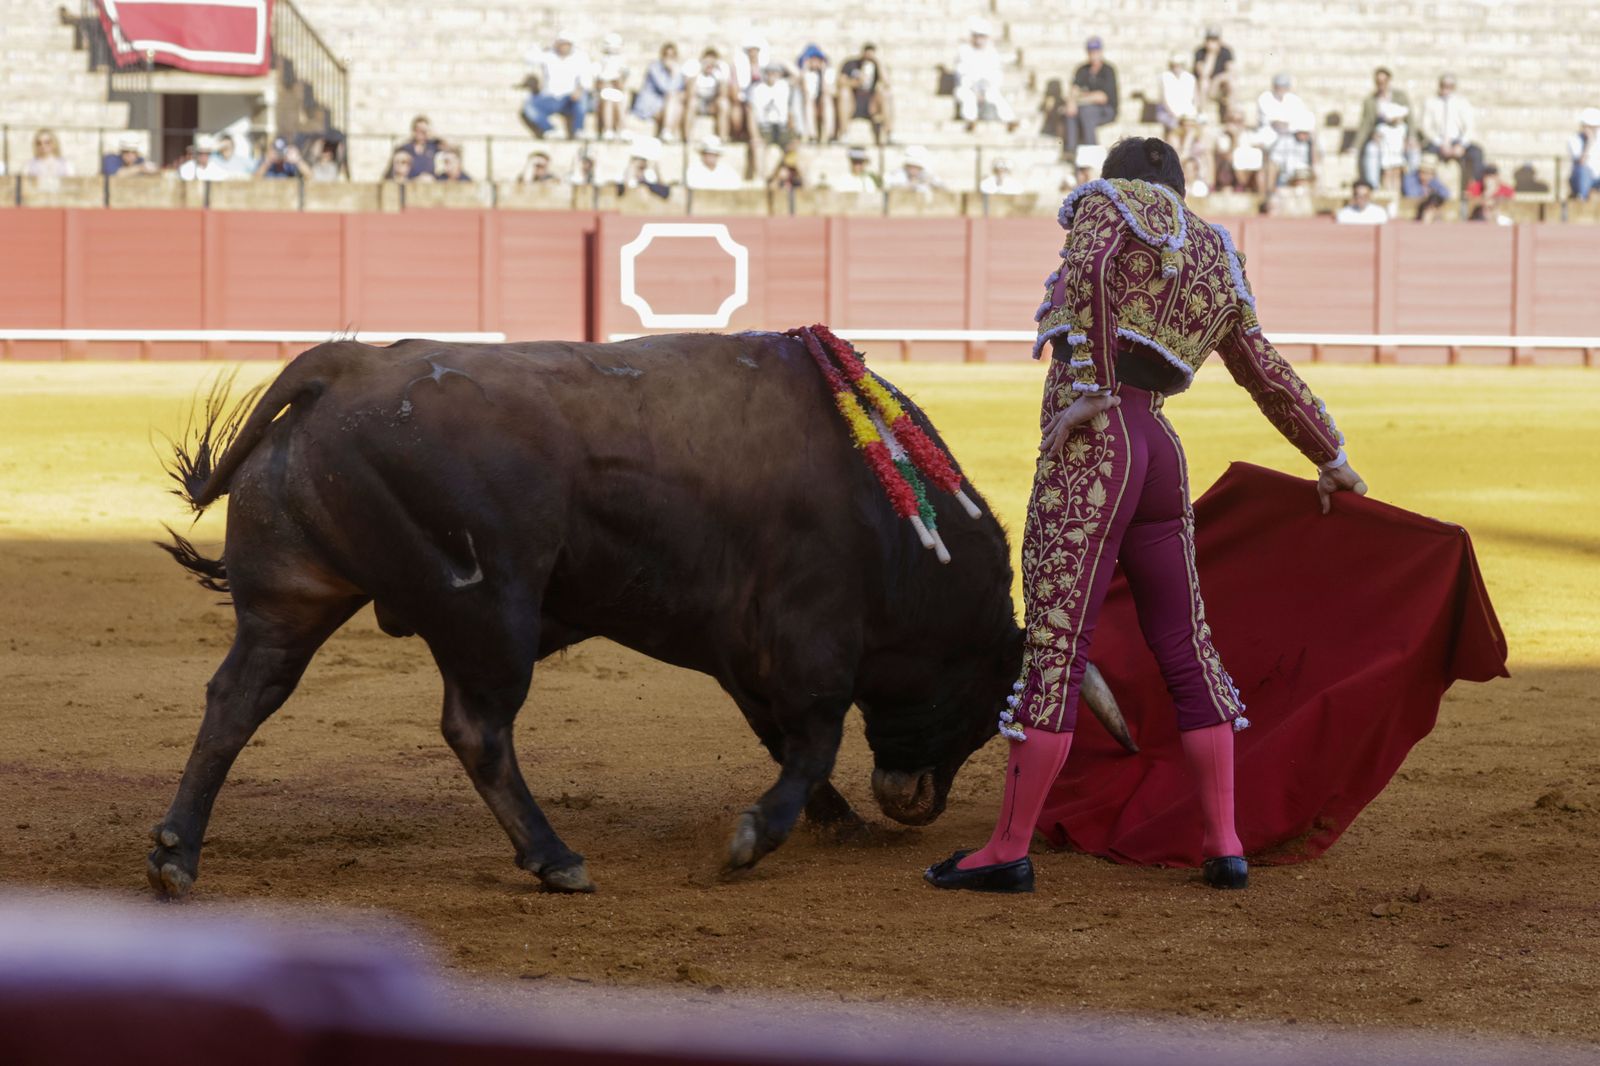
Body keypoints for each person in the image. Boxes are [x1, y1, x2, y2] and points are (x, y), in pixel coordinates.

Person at [925, 137, 1364, 896]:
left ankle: (1007, 847)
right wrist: (1330, 455)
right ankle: (1224, 846)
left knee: (1057, 648)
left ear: (1118, 180)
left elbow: (1092, 269)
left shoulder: (1110, 206)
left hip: (1095, 448)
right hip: (1159, 451)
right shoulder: (1214, 255)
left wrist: (1093, 384)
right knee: (1187, 648)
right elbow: (1265, 370)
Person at [523, 32, 592, 139]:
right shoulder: (549, 55)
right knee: (529, 106)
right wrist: (537, 46)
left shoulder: (580, 57)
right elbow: (529, 58)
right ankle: (551, 129)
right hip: (550, 98)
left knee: (583, 97)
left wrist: (579, 89)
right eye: (561, 43)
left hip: (570, 99)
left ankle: (579, 130)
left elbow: (587, 79)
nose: (563, 47)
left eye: (566, 44)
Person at [1420, 73, 1483, 187]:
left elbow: (1470, 126)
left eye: (1449, 86)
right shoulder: (1430, 102)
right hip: (1437, 141)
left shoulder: (1462, 102)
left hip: (1457, 141)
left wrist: (1461, 145)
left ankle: (1476, 187)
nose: (1446, 89)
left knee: (1477, 153)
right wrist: (1440, 143)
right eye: (1444, 85)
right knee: (1423, 155)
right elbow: (1426, 127)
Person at [954, 19, 1016, 132]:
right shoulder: (964, 51)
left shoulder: (992, 53)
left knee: (995, 96)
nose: (979, 40)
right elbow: (961, 74)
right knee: (968, 97)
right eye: (976, 36)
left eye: (982, 36)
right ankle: (970, 121)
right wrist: (975, 89)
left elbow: (995, 75)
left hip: (986, 88)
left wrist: (984, 89)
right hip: (968, 87)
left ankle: (1010, 120)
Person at [1354, 68, 1410, 191]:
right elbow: (1366, 123)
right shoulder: (1370, 100)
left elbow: (1410, 119)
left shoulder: (1400, 97)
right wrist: (1357, 145)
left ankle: (1409, 190)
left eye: (1384, 81)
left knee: (1397, 168)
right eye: (1378, 82)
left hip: (1399, 135)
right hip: (1381, 137)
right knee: (1374, 154)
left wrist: (1411, 138)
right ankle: (1374, 187)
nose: (1381, 85)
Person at [1256, 72, 1315, 189]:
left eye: (1284, 86)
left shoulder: (1294, 100)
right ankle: (1267, 194)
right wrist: (1292, 125)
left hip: (1292, 139)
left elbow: (1303, 121)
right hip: (1271, 137)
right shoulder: (1265, 98)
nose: (1281, 89)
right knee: (1270, 163)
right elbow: (1276, 124)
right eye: (1279, 86)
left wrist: (1291, 126)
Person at [1063, 36, 1118, 156]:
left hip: (1107, 110)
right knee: (1070, 112)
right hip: (1087, 109)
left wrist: (1081, 98)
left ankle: (1092, 152)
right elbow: (1074, 90)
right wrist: (1072, 102)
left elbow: (1102, 97)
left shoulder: (1108, 70)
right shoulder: (1082, 70)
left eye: (1096, 51)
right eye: (1091, 52)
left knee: (1086, 111)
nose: (1093, 55)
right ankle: (1070, 150)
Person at [838, 43, 891, 145]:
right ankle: (844, 133)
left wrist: (878, 64)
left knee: (885, 94)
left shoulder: (876, 66)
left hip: (871, 104)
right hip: (852, 101)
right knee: (844, 93)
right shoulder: (851, 64)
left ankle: (889, 133)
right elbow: (840, 82)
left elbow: (887, 83)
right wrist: (855, 83)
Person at [632, 43, 687, 141]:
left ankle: (669, 133)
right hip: (649, 105)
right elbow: (666, 88)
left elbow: (680, 89)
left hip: (666, 106)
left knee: (678, 104)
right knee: (673, 97)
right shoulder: (654, 68)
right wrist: (673, 74)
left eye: (672, 56)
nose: (669, 59)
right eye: (667, 55)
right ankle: (667, 131)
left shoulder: (677, 69)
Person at [1157, 52, 1199, 161]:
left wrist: (1191, 114)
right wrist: (1176, 116)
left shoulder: (1189, 78)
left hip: (1186, 115)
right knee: (1175, 130)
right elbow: (1164, 101)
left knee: (1190, 128)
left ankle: (1183, 154)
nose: (1176, 68)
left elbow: (1195, 99)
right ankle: (1181, 156)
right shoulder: (1165, 77)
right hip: (1169, 113)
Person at [690, 48, 733, 141]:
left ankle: (723, 137)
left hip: (713, 104)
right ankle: (688, 138)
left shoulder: (719, 74)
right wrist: (699, 71)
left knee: (723, 103)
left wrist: (720, 74)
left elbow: (724, 94)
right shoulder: (697, 72)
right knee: (692, 103)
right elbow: (690, 93)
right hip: (698, 103)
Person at [592, 33, 629, 141]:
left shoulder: (623, 64)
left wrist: (614, 81)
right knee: (608, 97)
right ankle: (608, 129)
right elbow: (598, 85)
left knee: (616, 98)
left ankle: (621, 129)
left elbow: (621, 85)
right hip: (601, 95)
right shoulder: (598, 63)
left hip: (617, 94)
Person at [795, 44, 836, 143]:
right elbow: (804, 90)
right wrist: (804, 70)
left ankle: (829, 134)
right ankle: (812, 134)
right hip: (808, 102)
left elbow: (827, 90)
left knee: (827, 100)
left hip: (821, 102)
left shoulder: (828, 72)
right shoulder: (805, 74)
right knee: (809, 102)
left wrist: (822, 73)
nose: (815, 62)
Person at [1193, 26, 1234, 121]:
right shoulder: (1200, 52)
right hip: (1204, 87)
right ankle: (1202, 113)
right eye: (1210, 39)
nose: (1212, 43)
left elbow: (1231, 72)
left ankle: (1231, 113)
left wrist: (1217, 80)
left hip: (1219, 86)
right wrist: (1211, 55)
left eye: (1215, 39)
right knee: (1204, 82)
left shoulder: (1226, 51)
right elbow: (1203, 73)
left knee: (1232, 83)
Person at [1568, 108, 1600, 202]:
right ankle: (1581, 200)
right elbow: (1581, 162)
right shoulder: (1574, 140)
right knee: (1583, 171)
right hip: (1581, 178)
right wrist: (1589, 142)